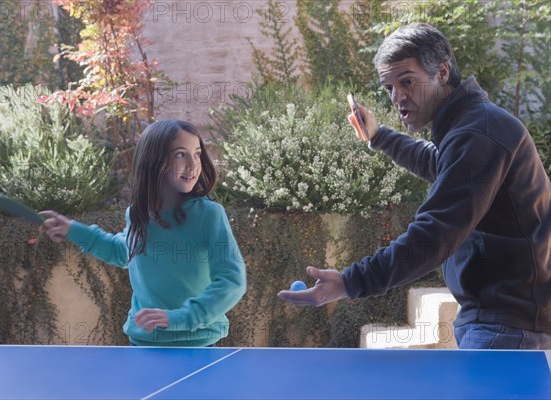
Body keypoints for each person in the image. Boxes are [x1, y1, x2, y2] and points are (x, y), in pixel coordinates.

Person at [278, 23, 551, 349]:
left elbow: (434, 235)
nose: (397, 97)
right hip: (499, 319)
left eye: (406, 81)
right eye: (389, 87)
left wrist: (351, 281)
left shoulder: (479, 134)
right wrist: (379, 136)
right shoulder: (472, 126)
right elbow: (434, 163)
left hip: (509, 325)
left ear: (442, 72)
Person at [40, 119, 246, 347]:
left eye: (197, 154)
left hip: (198, 344)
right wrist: (73, 230)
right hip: (143, 342)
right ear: (154, 161)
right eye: (180, 154)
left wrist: (181, 318)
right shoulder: (138, 213)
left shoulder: (209, 214)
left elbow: (232, 280)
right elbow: (124, 251)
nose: (192, 164)